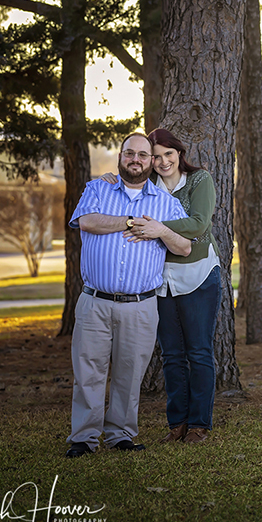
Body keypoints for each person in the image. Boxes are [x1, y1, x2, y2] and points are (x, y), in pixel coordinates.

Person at [66, 133, 191, 458]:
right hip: (95, 301)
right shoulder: (98, 189)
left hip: (141, 305)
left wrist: (161, 230)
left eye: (143, 155)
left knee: (129, 372)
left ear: (151, 162)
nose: (136, 159)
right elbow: (87, 221)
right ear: (121, 157)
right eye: (129, 153)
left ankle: (121, 435)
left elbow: (185, 246)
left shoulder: (166, 203)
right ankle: (84, 438)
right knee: (88, 372)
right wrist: (133, 222)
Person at [99, 129, 222, 445]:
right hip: (160, 280)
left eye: (169, 154)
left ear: (179, 154)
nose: (163, 161)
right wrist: (109, 179)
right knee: (171, 355)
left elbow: (198, 224)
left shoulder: (199, 180)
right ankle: (176, 424)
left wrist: (156, 227)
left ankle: (199, 425)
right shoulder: (147, 187)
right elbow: (119, 201)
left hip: (198, 276)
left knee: (199, 351)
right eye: (156, 155)